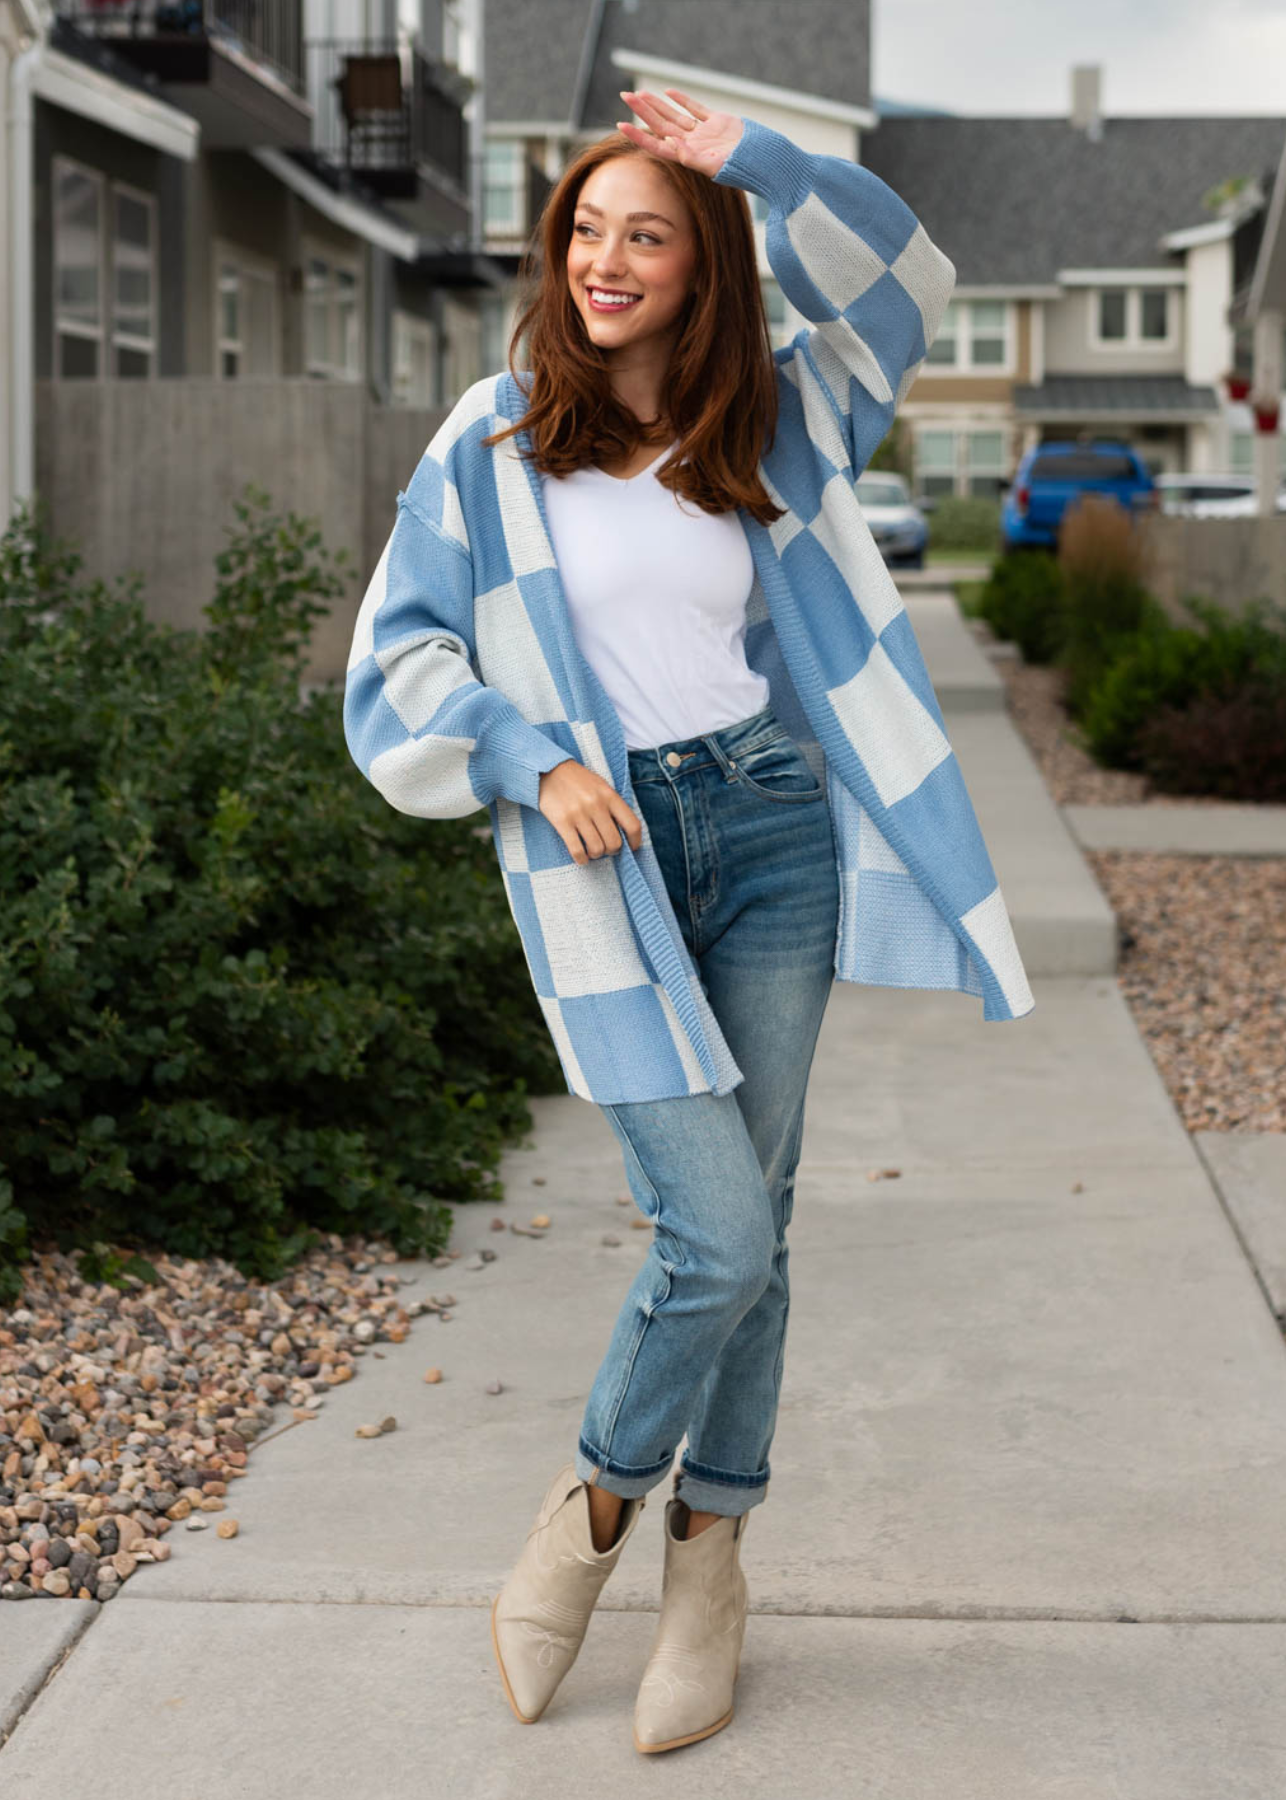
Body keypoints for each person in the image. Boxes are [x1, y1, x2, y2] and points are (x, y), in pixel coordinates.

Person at [343, 85, 1033, 1755]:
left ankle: (707, 1568)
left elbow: (903, 282)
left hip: (771, 827)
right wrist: (522, 754)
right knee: (713, 1233)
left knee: (762, 1226)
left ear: (701, 260)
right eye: (586, 228)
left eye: (646, 232)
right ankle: (591, 1519)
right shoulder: (493, 436)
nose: (604, 259)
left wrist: (763, 164)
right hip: (599, 855)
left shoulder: (779, 419)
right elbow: (395, 667)